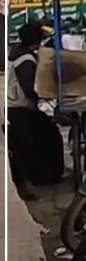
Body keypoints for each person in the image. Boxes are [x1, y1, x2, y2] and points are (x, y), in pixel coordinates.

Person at [7, 22, 65, 198]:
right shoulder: (25, 59)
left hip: (22, 106)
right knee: (26, 144)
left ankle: (44, 176)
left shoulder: (21, 52)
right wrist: (46, 97)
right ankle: (26, 183)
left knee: (49, 132)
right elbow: (30, 88)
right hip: (17, 108)